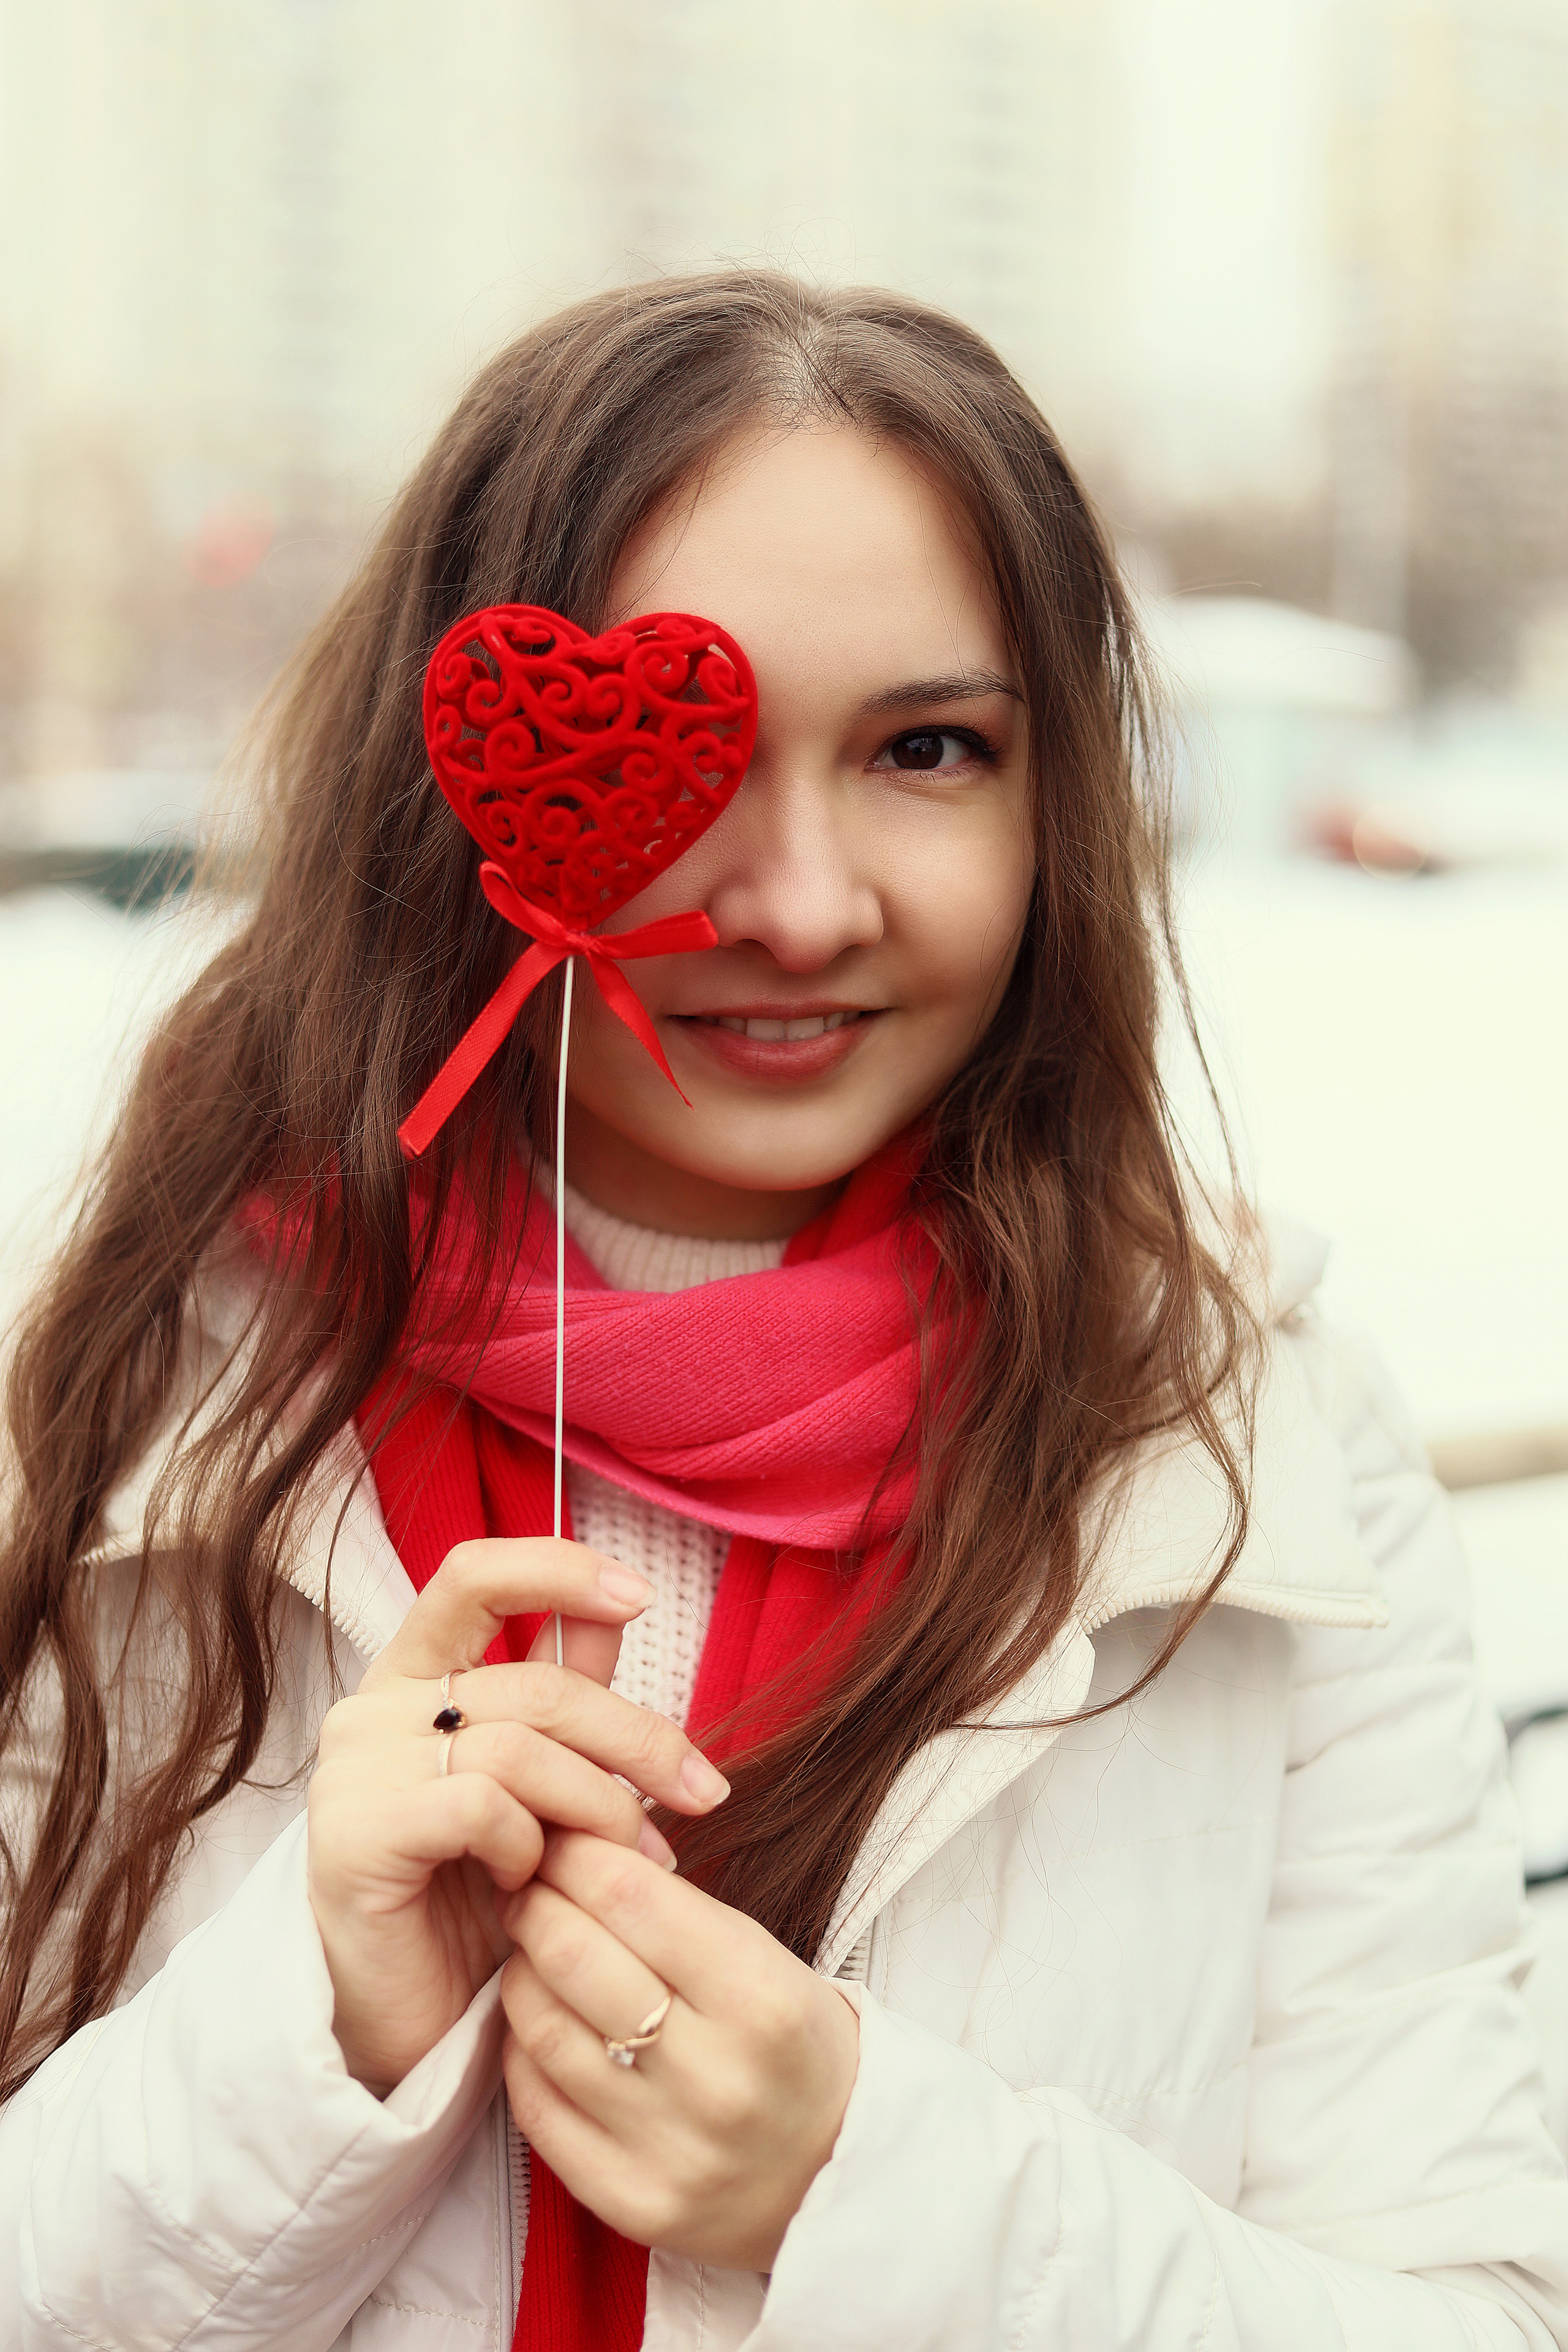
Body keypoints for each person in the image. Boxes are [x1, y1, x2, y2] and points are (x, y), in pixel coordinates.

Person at [1, 271, 1564, 2352]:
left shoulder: (1252, 1441)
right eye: (688, 744)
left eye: (929, 748)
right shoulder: (127, 1412)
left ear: (1055, 800)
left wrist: (871, 2188)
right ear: (461, 785)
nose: (808, 901)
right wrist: (308, 2027)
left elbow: (1466, 2310)